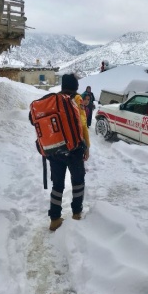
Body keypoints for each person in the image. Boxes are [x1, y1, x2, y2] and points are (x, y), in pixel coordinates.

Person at [48, 74, 90, 231]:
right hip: (74, 150)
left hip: (54, 150)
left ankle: (54, 219)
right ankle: (76, 214)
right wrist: (87, 146)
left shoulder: (53, 100)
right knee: (78, 182)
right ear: (75, 87)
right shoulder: (77, 99)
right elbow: (83, 125)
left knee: (57, 185)